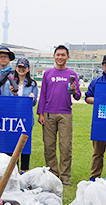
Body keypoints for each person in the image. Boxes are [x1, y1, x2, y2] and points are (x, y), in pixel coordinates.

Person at [37, 45, 81, 186]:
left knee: (65, 146)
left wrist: (74, 91)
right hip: (49, 113)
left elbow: (78, 96)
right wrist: (40, 113)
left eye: (63, 55)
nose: (60, 57)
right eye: (58, 55)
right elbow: (42, 94)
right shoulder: (48, 74)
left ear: (68, 57)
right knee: (49, 146)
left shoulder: (72, 74)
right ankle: (53, 174)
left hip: (65, 114)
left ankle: (65, 177)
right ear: (54, 57)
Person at [4, 57, 38, 173]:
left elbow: (34, 103)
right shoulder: (10, 83)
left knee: (25, 144)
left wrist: (32, 98)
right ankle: (12, 169)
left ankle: (24, 169)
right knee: (12, 144)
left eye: (24, 67)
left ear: (28, 69)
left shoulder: (33, 84)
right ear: (16, 68)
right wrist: (13, 94)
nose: (21, 69)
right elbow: (8, 101)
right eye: (19, 67)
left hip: (27, 119)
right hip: (13, 118)